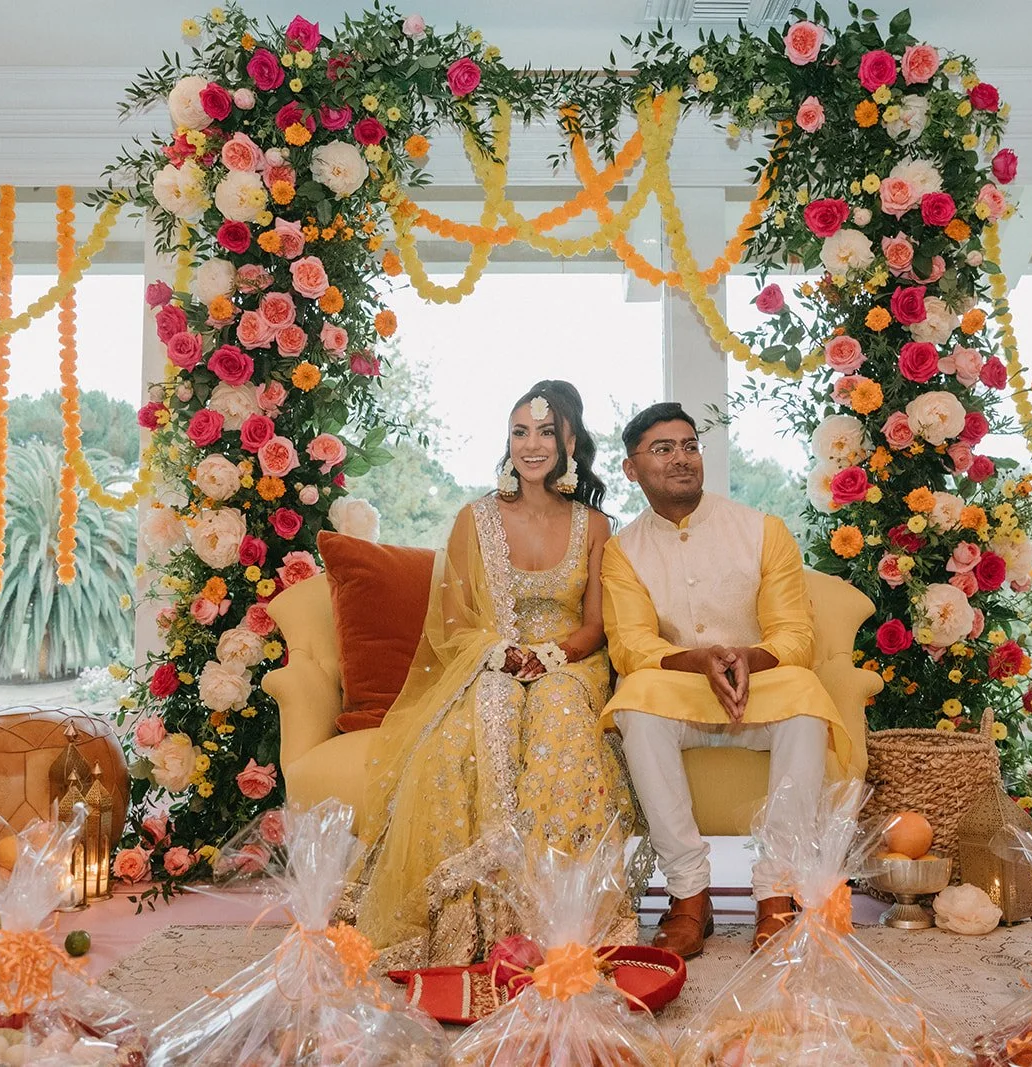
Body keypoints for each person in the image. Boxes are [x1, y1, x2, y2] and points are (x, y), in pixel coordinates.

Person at [356, 380, 637, 967]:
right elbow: (456, 623)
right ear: (507, 440)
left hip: (571, 664)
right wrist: (504, 655)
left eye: (545, 432)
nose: (531, 445)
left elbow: (595, 628)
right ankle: (476, 920)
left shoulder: (595, 525)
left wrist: (552, 656)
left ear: (569, 443)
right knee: (484, 714)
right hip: (490, 659)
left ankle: (561, 917)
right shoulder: (475, 519)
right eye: (519, 432)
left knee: (559, 711)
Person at [600, 402, 857, 958]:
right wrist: (695, 662)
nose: (681, 459)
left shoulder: (762, 531)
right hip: (681, 689)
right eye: (663, 449)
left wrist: (749, 657)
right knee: (636, 705)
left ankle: (777, 892)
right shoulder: (623, 552)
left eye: (689, 445)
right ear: (631, 469)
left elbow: (794, 634)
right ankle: (690, 896)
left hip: (760, 684)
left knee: (807, 701)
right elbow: (631, 644)